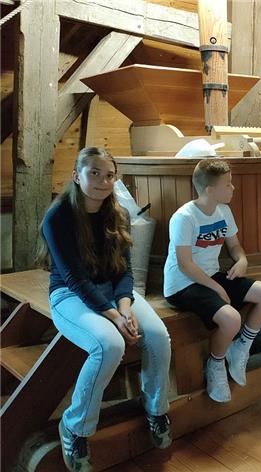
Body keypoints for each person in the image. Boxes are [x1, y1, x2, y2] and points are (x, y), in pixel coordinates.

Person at [40, 147, 172, 472]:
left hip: (113, 292)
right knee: (109, 344)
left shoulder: (119, 213)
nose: (103, 180)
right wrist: (114, 317)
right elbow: (75, 278)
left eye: (109, 175)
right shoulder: (58, 217)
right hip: (69, 294)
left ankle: (155, 408)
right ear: (77, 176)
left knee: (158, 336)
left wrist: (125, 307)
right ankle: (75, 426)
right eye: (94, 173)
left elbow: (124, 271)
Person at [163, 158, 261, 403]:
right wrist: (217, 288)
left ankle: (241, 347)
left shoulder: (223, 211)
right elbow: (184, 264)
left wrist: (242, 260)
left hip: (210, 276)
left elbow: (234, 246)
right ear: (209, 190)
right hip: (182, 284)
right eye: (228, 184)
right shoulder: (184, 217)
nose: (233, 188)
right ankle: (216, 364)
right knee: (231, 318)